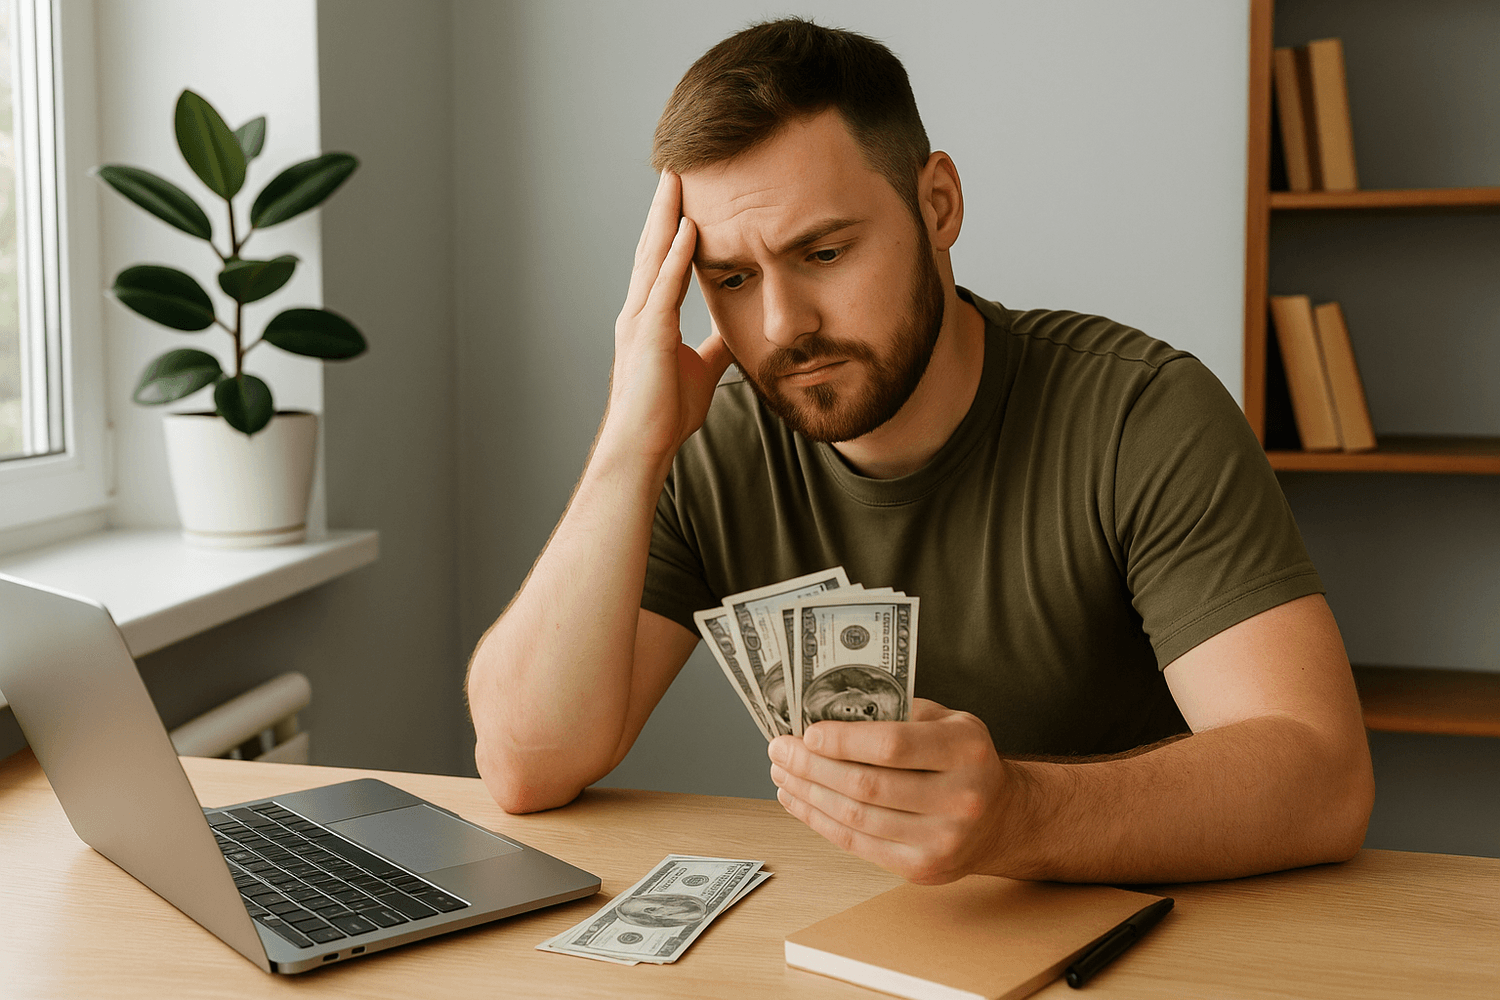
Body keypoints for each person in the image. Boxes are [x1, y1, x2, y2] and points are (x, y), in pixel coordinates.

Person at [466, 18, 1374, 886]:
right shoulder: (709, 436)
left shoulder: (1142, 412)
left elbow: (1325, 780)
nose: (783, 326)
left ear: (937, 204)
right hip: (851, 940)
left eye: (822, 253)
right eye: (732, 280)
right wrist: (632, 436)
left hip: (1136, 937)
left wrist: (1021, 813)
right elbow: (522, 766)